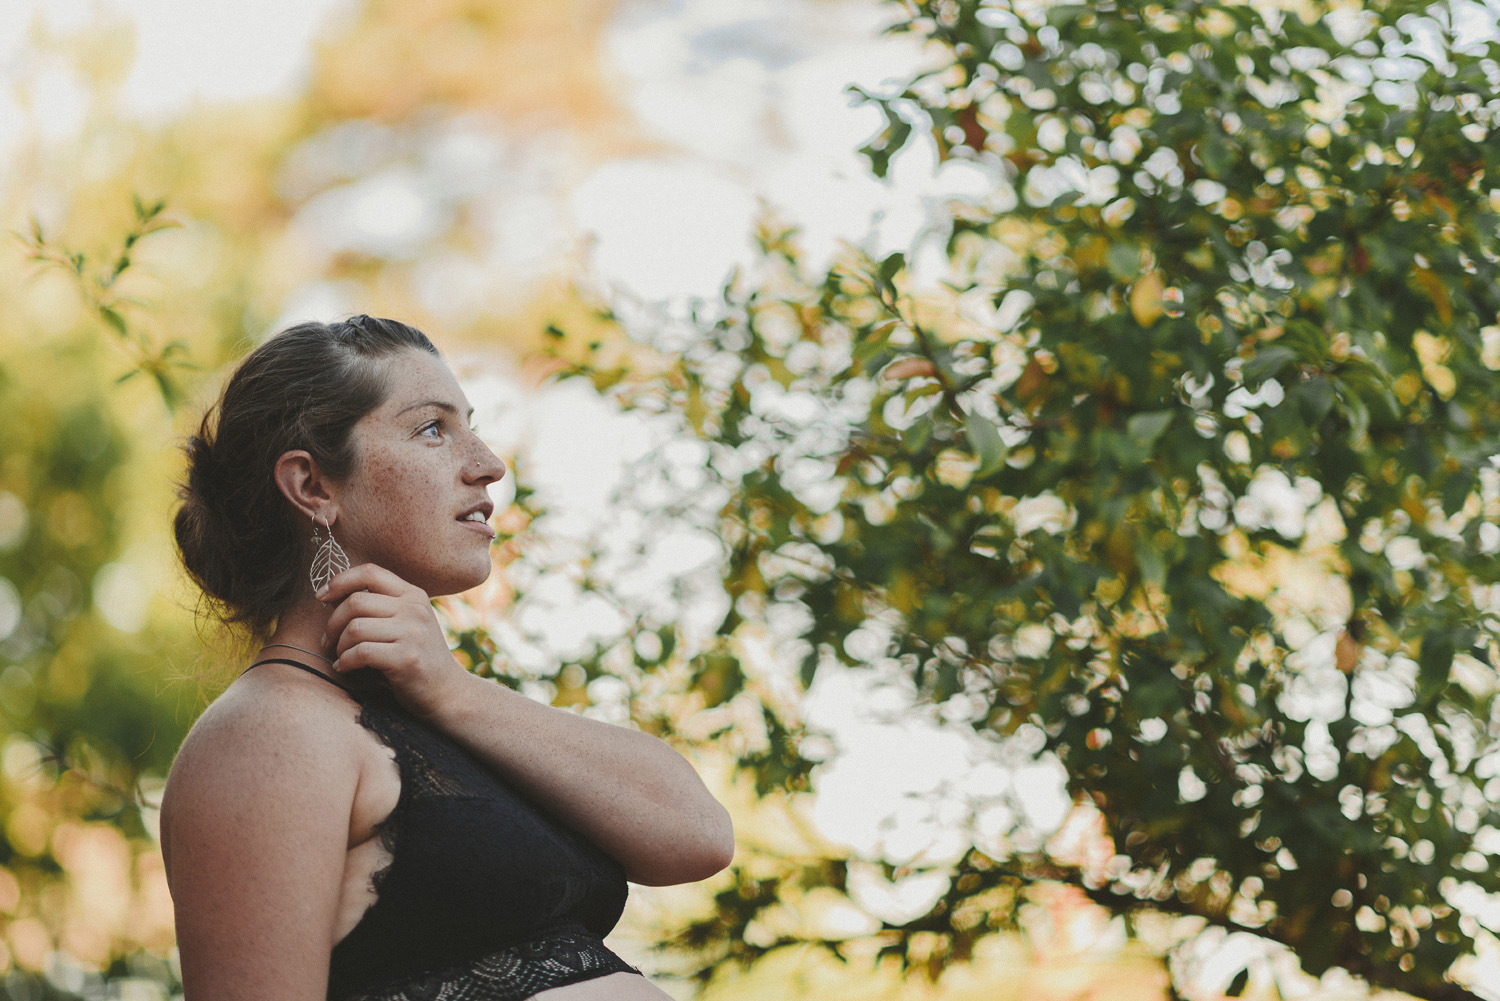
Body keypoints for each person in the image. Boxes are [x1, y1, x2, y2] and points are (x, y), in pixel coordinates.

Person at [161, 316, 734, 1000]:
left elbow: (699, 835)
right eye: (434, 428)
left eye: (471, 425)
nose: (489, 462)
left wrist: (453, 691)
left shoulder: (437, 703)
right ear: (313, 487)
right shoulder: (267, 734)